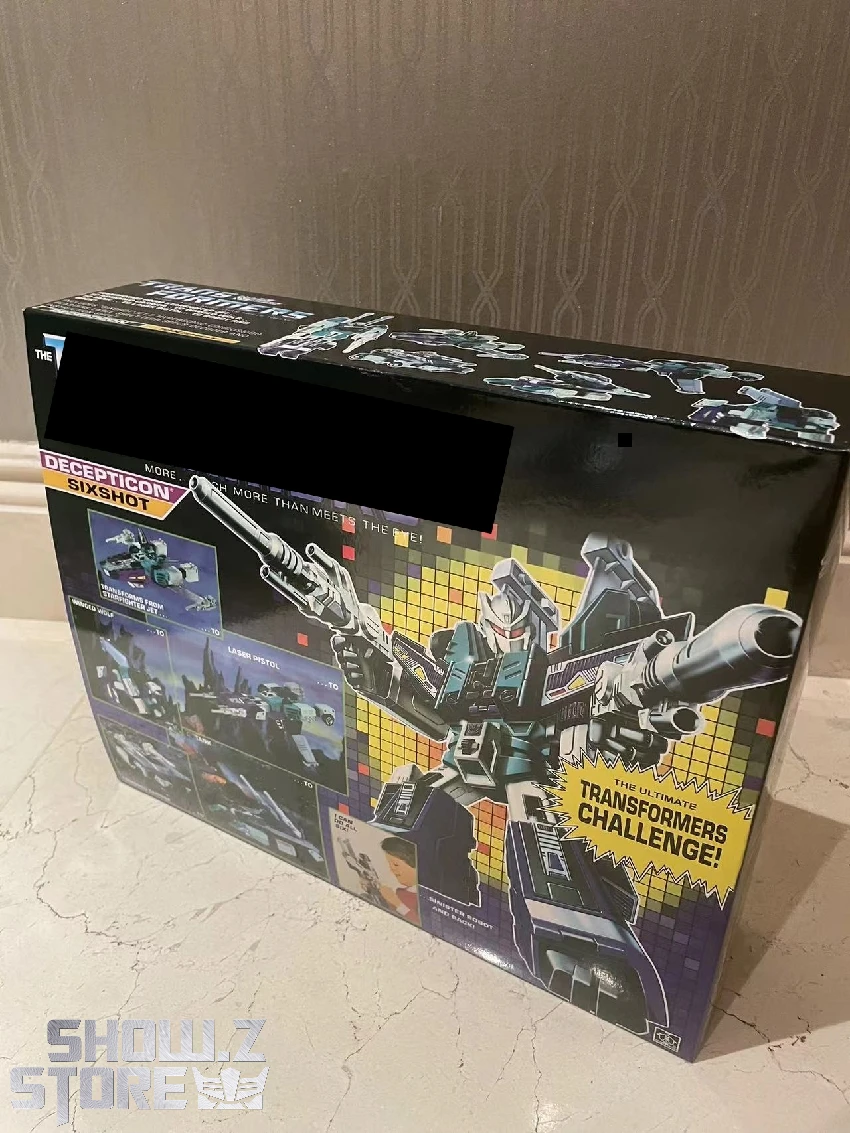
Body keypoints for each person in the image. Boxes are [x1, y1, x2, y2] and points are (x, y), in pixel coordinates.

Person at [379, 837, 420, 924]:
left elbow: (418, 921)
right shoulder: (400, 893)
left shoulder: (423, 896)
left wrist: (397, 903)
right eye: (390, 865)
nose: (392, 869)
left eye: (396, 864)